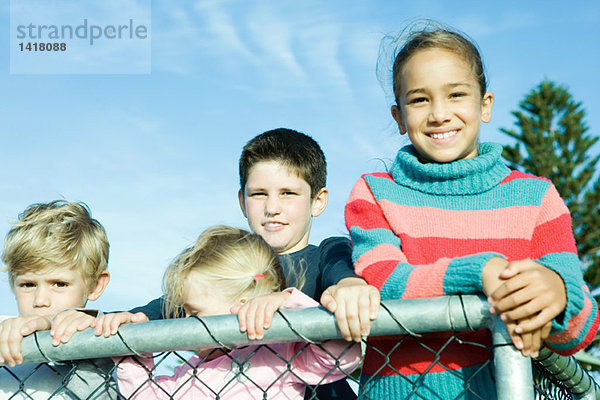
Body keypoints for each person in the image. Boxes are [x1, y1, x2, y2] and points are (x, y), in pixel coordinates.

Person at [344, 21, 599, 399]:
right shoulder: (375, 193)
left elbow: (579, 332)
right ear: (399, 118)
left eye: (456, 95)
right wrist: (482, 271)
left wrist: (559, 294)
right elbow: (383, 285)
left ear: (485, 105)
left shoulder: (537, 198)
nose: (439, 114)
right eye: (419, 99)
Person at [53, 128, 381, 399]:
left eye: (288, 193)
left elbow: (343, 280)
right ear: (242, 200)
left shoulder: (327, 253)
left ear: (318, 200)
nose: (272, 207)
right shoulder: (218, 270)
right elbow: (159, 310)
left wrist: (345, 286)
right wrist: (97, 320)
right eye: (258, 194)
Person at [113, 225, 361, 399]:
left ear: (242, 305)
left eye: (195, 312)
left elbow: (341, 354)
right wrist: (132, 354)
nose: (185, 321)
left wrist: (287, 303)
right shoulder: (189, 369)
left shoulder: (276, 355)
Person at [0, 200, 116, 399]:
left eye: (59, 284)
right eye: (28, 284)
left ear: (96, 285)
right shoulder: (3, 332)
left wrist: (86, 336)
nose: (41, 300)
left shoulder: (104, 343)